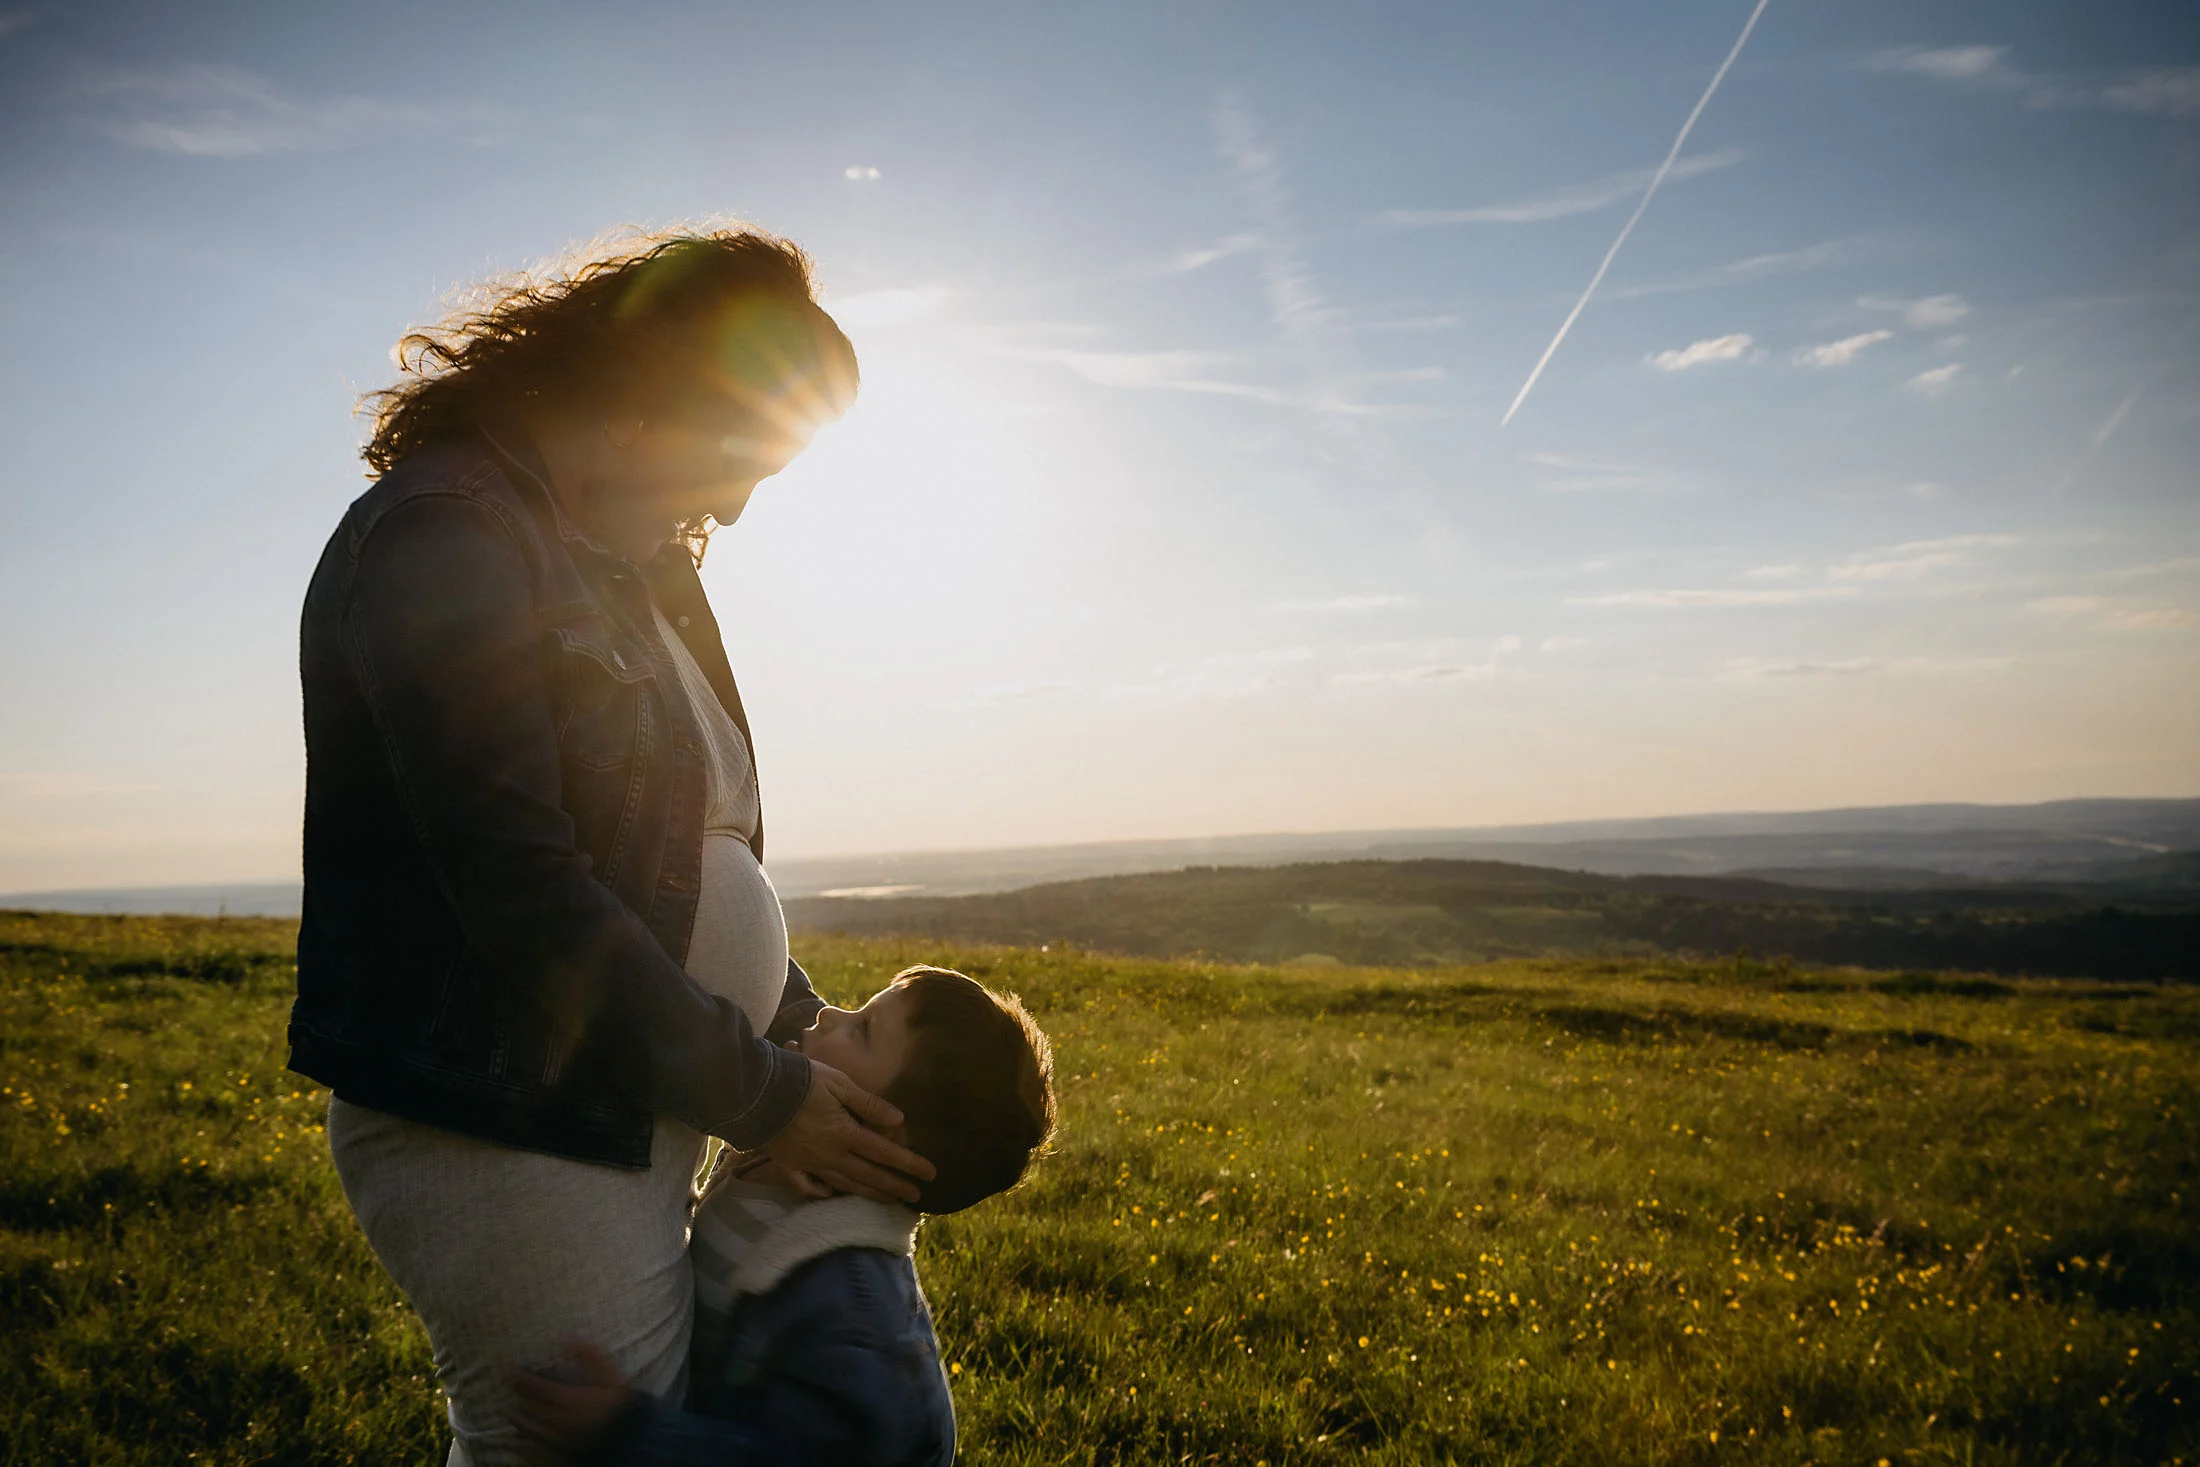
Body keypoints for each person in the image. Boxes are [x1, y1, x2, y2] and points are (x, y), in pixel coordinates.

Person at [289, 228, 935, 1467]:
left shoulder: (642, 569)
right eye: (745, 457)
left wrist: (800, 1030)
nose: (738, 506)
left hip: (637, 1099)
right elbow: (518, 886)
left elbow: (686, 854)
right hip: (510, 1118)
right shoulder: (445, 537)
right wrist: (763, 1094)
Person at [509, 966, 1057, 1467]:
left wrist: (632, 1436)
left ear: (883, 1132)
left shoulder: (852, 1309)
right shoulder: (774, 1169)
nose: (828, 1012)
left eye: (862, 1029)